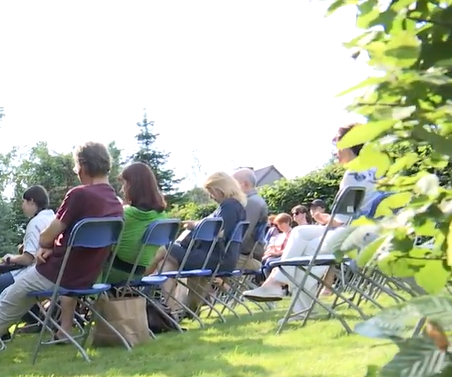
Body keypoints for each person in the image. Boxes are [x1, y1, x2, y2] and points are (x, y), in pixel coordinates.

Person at [0, 141, 123, 366]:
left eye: (77, 167)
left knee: (3, 308)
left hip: (55, 272)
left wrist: (48, 245)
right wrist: (52, 245)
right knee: (6, 304)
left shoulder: (80, 195)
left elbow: (45, 237)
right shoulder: (116, 203)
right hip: (85, 277)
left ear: (83, 167)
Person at [242, 123, 380, 324]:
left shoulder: (353, 175)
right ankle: (278, 283)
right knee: (300, 235)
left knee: (306, 250)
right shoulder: (376, 171)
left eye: (338, 147)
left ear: (351, 146)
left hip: (355, 238)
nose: (336, 153)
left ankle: (292, 299)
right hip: (374, 233)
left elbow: (339, 221)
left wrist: (320, 217)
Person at [53, 161, 167, 340]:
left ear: (133, 186)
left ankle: (64, 330)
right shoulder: (162, 217)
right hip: (137, 273)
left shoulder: (126, 216)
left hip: (113, 272)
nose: (122, 189)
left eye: (124, 184)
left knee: (73, 272)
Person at [145, 171, 248, 315]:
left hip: (214, 258)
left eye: (211, 192)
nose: (211, 196)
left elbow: (218, 230)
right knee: (165, 264)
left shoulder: (230, 206)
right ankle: (172, 312)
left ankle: (140, 280)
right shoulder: (233, 207)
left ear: (220, 189)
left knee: (164, 248)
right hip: (214, 256)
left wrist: (195, 226)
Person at [0, 185, 55, 338]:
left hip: (35, 273)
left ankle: (0, 333)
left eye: (24, 202)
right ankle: (36, 321)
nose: (22, 206)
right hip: (53, 271)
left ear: (32, 201)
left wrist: (10, 258)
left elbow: (28, 258)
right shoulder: (53, 217)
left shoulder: (35, 223)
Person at [232, 168, 269, 270]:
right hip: (245, 255)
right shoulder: (253, 201)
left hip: (246, 257)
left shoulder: (251, 203)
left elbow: (242, 235)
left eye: (233, 184)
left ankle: (226, 286)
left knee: (201, 264)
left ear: (245, 184)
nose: (230, 189)